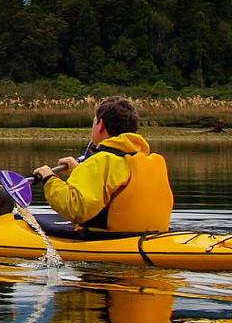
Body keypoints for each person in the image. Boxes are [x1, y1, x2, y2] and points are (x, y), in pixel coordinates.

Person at [33, 96, 174, 231]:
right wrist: (79, 170)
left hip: (109, 239)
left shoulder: (101, 161)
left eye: (94, 122)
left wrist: (48, 179)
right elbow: (114, 180)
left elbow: (76, 209)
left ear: (100, 125)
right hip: (152, 236)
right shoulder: (151, 160)